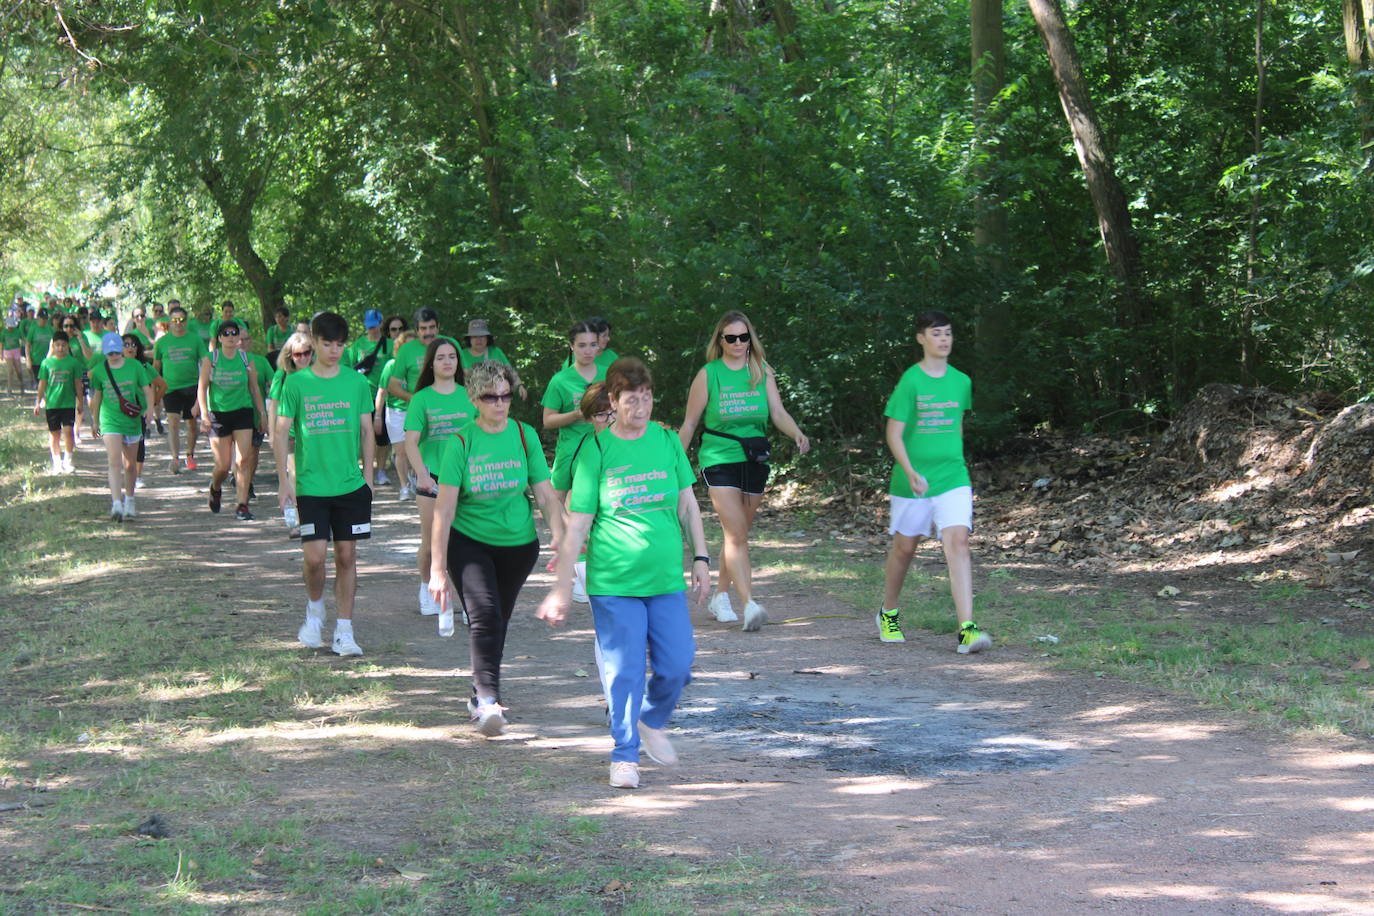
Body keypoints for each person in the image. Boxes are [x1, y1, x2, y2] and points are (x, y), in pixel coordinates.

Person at [537, 357, 709, 789]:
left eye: (648, 397)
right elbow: (578, 523)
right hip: (614, 582)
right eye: (632, 399)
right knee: (626, 670)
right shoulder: (595, 451)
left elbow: (688, 504)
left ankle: (652, 720)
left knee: (677, 665)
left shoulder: (667, 441)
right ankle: (624, 755)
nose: (642, 406)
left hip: (665, 579)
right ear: (613, 401)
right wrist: (560, 589)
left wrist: (702, 558)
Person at [429, 360, 564, 736]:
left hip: (518, 545)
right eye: (491, 396)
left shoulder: (524, 435)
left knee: (497, 620)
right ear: (474, 398)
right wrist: (437, 569)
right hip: (469, 541)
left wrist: (562, 538)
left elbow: (545, 495)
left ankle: (481, 692)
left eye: (505, 395)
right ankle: (488, 701)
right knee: (485, 615)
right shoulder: (460, 442)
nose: (500, 402)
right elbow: (444, 509)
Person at [678, 310, 810, 632]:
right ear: (720, 341)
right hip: (718, 456)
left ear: (751, 338)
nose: (738, 343)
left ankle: (720, 595)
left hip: (754, 457)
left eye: (743, 337)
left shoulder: (761, 371)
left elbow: (777, 411)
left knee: (737, 535)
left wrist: (795, 433)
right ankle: (749, 603)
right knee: (735, 532)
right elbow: (691, 423)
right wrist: (674, 464)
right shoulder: (709, 375)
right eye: (731, 338)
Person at [877, 310, 990, 654]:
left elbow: (956, 425)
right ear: (921, 339)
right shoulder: (911, 381)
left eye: (948, 334)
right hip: (914, 480)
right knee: (905, 548)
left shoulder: (961, 381)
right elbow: (893, 432)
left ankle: (966, 630)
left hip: (953, 475)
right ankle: (888, 612)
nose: (944, 339)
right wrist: (910, 471)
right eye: (936, 333)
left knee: (957, 542)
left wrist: (957, 462)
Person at [275, 311, 376, 657]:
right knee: (315, 557)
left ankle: (344, 631)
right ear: (314, 341)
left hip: (349, 484)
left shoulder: (356, 382)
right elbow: (280, 433)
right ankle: (315, 610)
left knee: (347, 555)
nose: (334, 350)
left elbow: (367, 431)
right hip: (311, 484)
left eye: (339, 344)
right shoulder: (297, 383)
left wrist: (368, 477)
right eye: (327, 343)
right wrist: (283, 481)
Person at [403, 337, 474, 618]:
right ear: (431, 363)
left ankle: (470, 600)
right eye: (441, 357)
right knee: (432, 542)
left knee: (466, 542)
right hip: (431, 478)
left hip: (465, 479)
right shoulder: (422, 399)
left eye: (452, 357)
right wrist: (421, 474)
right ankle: (426, 587)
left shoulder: (470, 395)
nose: (447, 362)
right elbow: (411, 442)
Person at [386, 307, 458, 499]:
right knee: (418, 448)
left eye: (432, 327)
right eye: (423, 328)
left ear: (439, 327)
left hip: (452, 411)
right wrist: (416, 400)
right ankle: (422, 481)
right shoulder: (407, 350)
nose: (428, 332)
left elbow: (464, 376)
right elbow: (392, 385)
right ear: (416, 330)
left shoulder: (450, 344)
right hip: (420, 413)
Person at [197, 321, 266, 521]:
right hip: (219, 415)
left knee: (243, 460)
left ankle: (242, 505)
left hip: (243, 412)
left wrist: (262, 414)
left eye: (234, 333)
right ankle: (215, 487)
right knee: (223, 466)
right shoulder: (211, 359)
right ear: (219, 338)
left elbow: (254, 389)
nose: (230, 336)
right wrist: (204, 415)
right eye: (226, 333)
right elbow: (202, 388)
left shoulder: (246, 359)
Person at [88, 332, 153, 521]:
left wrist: (149, 409)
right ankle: (116, 504)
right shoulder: (100, 370)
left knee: (130, 465)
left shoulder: (135, 366)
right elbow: (97, 396)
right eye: (110, 353)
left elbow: (147, 389)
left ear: (122, 349)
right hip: (110, 420)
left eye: (117, 351)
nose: (114, 355)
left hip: (132, 420)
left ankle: (130, 500)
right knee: (114, 461)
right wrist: (95, 420)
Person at [542, 321, 606, 502]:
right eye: (582, 345)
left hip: (604, 445)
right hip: (571, 448)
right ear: (571, 346)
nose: (588, 351)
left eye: (593, 345)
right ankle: (562, 531)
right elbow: (548, 421)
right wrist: (576, 415)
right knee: (558, 498)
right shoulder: (560, 381)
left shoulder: (609, 375)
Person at [267, 331, 314, 538]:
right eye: (298, 355)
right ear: (290, 356)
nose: (303, 358)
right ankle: (297, 520)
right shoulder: (283, 375)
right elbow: (274, 406)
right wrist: (272, 432)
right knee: (294, 476)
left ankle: (315, 517)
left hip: (315, 433)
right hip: (291, 433)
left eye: (307, 353)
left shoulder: (318, 373)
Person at [153, 305, 209, 473]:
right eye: (174, 320)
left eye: (181, 320)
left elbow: (205, 360)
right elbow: (156, 366)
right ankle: (175, 458)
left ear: (186, 321)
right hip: (171, 388)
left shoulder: (195, 339)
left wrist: (205, 381)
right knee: (173, 423)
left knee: (191, 424)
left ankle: (190, 455)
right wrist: (153, 388)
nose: (178, 323)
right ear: (169, 322)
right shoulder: (162, 342)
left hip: (192, 386)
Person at [33, 330, 84, 474]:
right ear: (53, 346)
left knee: (68, 432)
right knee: (54, 434)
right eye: (57, 345)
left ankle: (67, 461)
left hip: (68, 404)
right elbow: (42, 384)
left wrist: (80, 402)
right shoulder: (46, 363)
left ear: (68, 346)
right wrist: (38, 402)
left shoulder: (74, 363)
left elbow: (78, 384)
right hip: (52, 404)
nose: (60, 348)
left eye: (63, 345)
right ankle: (57, 462)